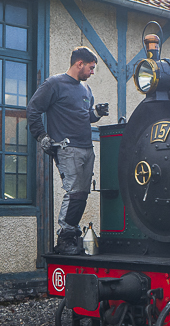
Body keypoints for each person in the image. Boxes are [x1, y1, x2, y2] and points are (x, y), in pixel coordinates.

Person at [27, 46, 109, 254]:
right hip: (67, 148)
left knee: (82, 194)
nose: (92, 72)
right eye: (90, 68)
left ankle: (71, 235)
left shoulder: (86, 90)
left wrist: (96, 113)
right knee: (74, 192)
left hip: (86, 147)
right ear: (79, 63)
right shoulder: (54, 83)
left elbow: (85, 116)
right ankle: (65, 239)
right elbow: (33, 109)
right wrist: (42, 136)